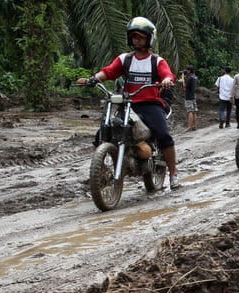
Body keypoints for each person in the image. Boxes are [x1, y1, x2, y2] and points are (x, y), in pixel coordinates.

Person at [77, 17, 181, 189]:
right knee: (102, 133)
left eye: (140, 37)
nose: (136, 40)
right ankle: (99, 172)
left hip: (150, 104)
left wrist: (168, 80)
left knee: (164, 136)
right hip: (128, 104)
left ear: (149, 39)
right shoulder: (125, 59)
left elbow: (167, 74)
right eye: (133, 37)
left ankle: (173, 175)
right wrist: (93, 79)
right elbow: (108, 72)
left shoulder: (157, 61)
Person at [182, 65, 198, 132]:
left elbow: (184, 86)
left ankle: (189, 127)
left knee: (190, 111)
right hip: (193, 95)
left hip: (188, 96)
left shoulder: (190, 78)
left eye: (187, 70)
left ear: (189, 70)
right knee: (194, 111)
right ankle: (194, 126)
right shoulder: (195, 77)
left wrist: (183, 78)